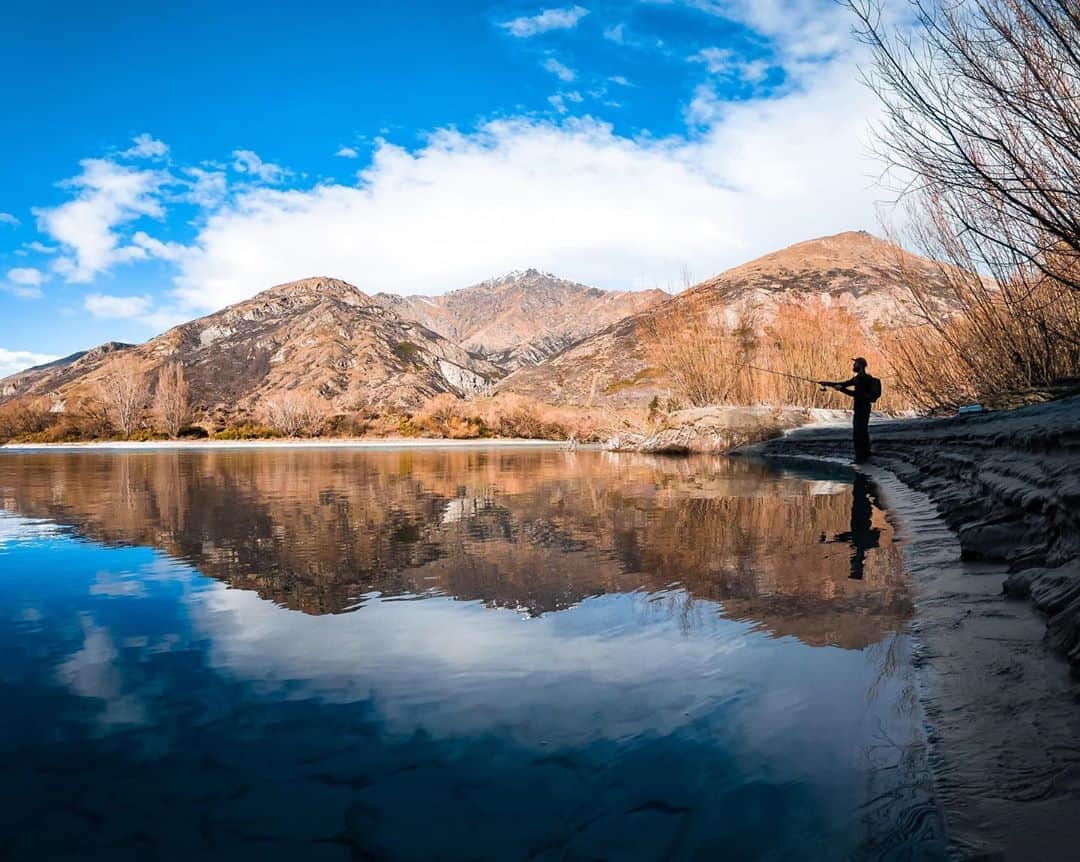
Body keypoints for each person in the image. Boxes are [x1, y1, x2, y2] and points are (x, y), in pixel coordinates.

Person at [819, 357, 878, 463]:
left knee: (859, 432)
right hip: (862, 407)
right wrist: (827, 383)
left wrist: (841, 389)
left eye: (855, 364)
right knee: (862, 431)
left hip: (862, 407)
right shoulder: (859, 378)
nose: (853, 366)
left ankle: (861, 457)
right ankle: (864, 454)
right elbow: (843, 383)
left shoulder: (862, 379)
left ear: (860, 365)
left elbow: (855, 393)